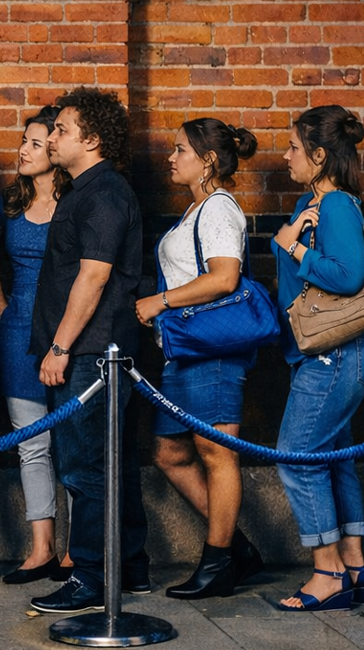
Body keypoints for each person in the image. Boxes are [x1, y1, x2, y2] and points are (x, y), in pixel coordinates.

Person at [29, 88, 149, 614]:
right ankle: (129, 567)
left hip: (91, 354)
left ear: (92, 139)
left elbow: (94, 276)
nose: (51, 137)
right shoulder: (84, 189)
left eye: (61, 130)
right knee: (108, 464)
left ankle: (93, 579)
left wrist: (60, 347)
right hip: (90, 351)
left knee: (85, 468)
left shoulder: (104, 192)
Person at [133, 118, 265, 599]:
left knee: (216, 454)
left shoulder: (217, 209)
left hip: (212, 354)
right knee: (170, 453)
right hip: (186, 354)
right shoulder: (197, 210)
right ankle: (235, 550)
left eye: (180, 149)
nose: (171, 157)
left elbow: (225, 278)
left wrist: (160, 302)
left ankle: (216, 565)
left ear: (208, 159)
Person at [270, 105, 364, 611]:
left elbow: (350, 276)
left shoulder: (335, 205)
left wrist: (292, 248)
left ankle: (328, 572)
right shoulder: (313, 200)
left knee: (297, 456)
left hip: (336, 354)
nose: (286, 155)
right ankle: (354, 563)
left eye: (294, 148)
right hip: (323, 353)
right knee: (334, 460)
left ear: (319, 155)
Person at [0, 106, 74, 585]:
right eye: (25, 140)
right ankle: (42, 549)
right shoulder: (8, 205)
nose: (23, 149)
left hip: (69, 336)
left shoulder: (79, 202)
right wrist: (1, 307)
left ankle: (78, 551)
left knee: (75, 445)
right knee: (32, 445)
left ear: (57, 152)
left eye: (36, 144)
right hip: (19, 334)